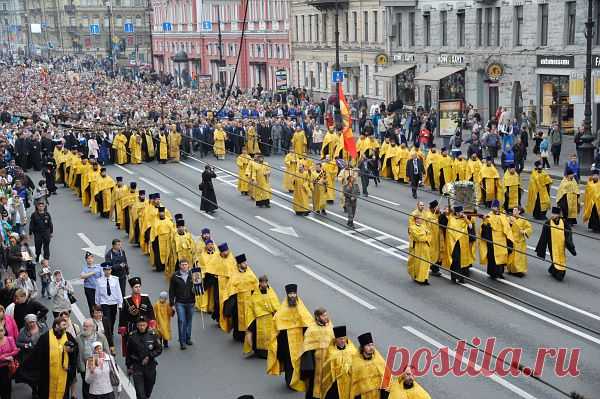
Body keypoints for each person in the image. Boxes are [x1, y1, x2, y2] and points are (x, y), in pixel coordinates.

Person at [267, 284, 313, 390]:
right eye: (290, 294)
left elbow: (309, 321)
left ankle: (301, 381)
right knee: (289, 363)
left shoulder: (301, 307)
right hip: (287, 342)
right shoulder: (283, 309)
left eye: (294, 293)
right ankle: (290, 382)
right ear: (287, 295)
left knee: (301, 362)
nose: (292, 296)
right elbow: (276, 323)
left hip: (300, 340)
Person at [19, 317, 79, 399]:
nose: (66, 327)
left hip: (63, 375)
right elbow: (36, 355)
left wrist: (71, 350)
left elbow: (75, 349)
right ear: (56, 326)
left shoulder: (68, 336)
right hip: (48, 376)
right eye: (63, 325)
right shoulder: (45, 338)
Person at [298, 307, 334, 399]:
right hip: (315, 363)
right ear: (317, 317)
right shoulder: (311, 330)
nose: (326, 317)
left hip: (327, 361)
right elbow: (306, 347)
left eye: (326, 315)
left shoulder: (330, 326)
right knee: (313, 385)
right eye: (323, 316)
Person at [222, 254, 258, 342]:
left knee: (249, 318)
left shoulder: (250, 273)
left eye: (246, 262)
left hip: (249, 300)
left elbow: (255, 284)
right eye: (244, 263)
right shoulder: (234, 275)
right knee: (237, 319)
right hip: (238, 300)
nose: (246, 264)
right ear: (239, 264)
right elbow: (230, 288)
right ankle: (238, 335)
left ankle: (249, 334)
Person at [126, 316, 162, 399]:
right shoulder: (132, 336)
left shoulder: (153, 335)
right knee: (140, 393)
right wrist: (128, 366)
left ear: (147, 325)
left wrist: (150, 356)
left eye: (143, 325)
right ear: (137, 325)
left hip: (150, 366)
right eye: (140, 325)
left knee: (148, 390)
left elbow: (159, 349)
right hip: (137, 366)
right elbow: (128, 353)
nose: (141, 327)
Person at [243, 275, 280, 358]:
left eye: (266, 282)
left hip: (270, 317)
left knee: (270, 335)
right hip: (258, 318)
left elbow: (275, 304)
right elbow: (252, 304)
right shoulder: (255, 293)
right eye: (262, 282)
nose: (264, 284)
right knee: (251, 331)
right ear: (259, 283)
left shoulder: (271, 292)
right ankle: (254, 349)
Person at [536, 207, 577, 281]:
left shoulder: (563, 222)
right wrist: (541, 249)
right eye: (552, 213)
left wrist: (569, 244)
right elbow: (543, 237)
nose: (552, 215)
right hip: (552, 245)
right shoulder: (548, 223)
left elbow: (568, 233)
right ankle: (559, 273)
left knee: (561, 258)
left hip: (561, 245)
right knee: (555, 258)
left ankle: (553, 270)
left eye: (554, 214)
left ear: (558, 215)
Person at [118, 277, 155, 354]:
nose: (138, 289)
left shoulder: (145, 298)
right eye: (136, 287)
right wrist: (122, 326)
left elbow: (150, 311)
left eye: (139, 286)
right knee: (132, 344)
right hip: (132, 326)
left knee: (146, 343)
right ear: (132, 288)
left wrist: (152, 321)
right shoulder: (126, 300)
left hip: (144, 325)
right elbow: (123, 315)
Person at [480, 200, 514, 280]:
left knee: (502, 256)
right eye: (492, 207)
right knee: (493, 258)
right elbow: (484, 227)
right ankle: (493, 273)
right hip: (492, 240)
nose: (493, 208)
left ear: (498, 207)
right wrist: (484, 221)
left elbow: (507, 226)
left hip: (502, 239)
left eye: (495, 207)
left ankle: (500, 272)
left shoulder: (503, 216)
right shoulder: (489, 216)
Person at [76, 319, 110, 399]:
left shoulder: (101, 337)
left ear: (93, 327)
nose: (84, 328)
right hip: (85, 366)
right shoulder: (78, 338)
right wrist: (81, 368)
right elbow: (78, 355)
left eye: (87, 326)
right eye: (84, 325)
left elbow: (107, 351)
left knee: (98, 386)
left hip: (99, 365)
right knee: (86, 386)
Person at [349, 332, 390, 398]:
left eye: (372, 345)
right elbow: (354, 386)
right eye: (368, 345)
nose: (371, 347)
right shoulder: (356, 364)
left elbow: (386, 381)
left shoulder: (379, 360)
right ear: (362, 348)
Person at [94, 262, 123, 354]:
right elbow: (97, 292)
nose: (107, 271)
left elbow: (118, 291)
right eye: (106, 270)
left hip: (113, 302)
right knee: (107, 319)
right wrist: (97, 303)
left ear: (111, 270)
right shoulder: (99, 281)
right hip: (104, 303)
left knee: (113, 319)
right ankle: (108, 335)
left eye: (109, 270)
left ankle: (110, 332)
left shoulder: (115, 279)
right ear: (103, 271)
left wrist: (120, 303)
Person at [320, 325, 356, 399]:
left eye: (344, 338)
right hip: (335, 383)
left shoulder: (352, 350)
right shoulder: (330, 352)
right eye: (340, 339)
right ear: (335, 339)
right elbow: (327, 368)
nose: (342, 341)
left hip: (349, 381)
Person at [168, 259, 195, 350]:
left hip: (191, 302)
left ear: (188, 265)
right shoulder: (175, 276)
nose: (184, 266)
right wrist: (171, 303)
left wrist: (197, 291)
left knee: (189, 321)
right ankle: (182, 342)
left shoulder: (193, 275)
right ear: (179, 266)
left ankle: (188, 338)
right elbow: (171, 291)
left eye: (186, 264)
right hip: (180, 303)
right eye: (182, 265)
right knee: (182, 321)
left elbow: (199, 286)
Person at [445, 206, 476, 284]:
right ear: (456, 212)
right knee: (455, 260)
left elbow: (470, 226)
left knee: (462, 260)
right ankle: (454, 277)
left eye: (461, 212)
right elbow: (449, 231)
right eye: (459, 212)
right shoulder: (452, 219)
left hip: (463, 243)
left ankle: (461, 278)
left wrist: (466, 219)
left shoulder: (464, 220)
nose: (460, 214)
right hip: (454, 243)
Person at [507, 208, 532, 277]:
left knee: (519, 257)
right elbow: (505, 226)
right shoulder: (510, 218)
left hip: (520, 241)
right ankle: (510, 269)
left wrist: (524, 231)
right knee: (511, 256)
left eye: (515, 210)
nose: (513, 211)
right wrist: (510, 224)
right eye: (513, 210)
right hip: (511, 239)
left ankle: (518, 270)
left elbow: (529, 228)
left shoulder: (523, 220)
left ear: (519, 211)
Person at [407, 216, 431, 285]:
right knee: (418, 263)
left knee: (426, 263)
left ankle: (425, 278)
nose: (421, 220)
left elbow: (429, 234)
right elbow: (417, 237)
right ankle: (418, 278)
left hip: (425, 246)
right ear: (416, 220)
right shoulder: (412, 227)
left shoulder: (424, 226)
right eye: (420, 219)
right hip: (417, 247)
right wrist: (425, 235)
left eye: (421, 218)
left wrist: (424, 235)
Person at [0, 324, 19, 399]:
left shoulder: (9, 339)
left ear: (4, 331)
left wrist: (3, 356)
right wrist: (5, 357)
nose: (0, 333)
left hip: (8, 367)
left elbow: (16, 350)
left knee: (7, 388)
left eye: (1, 330)